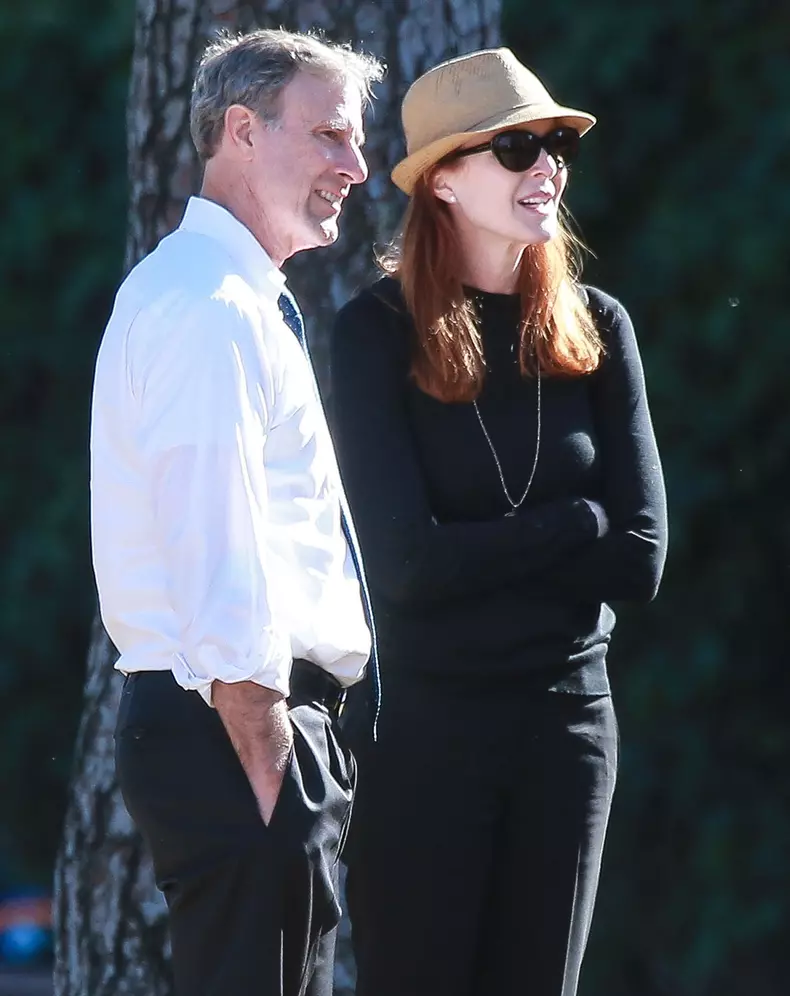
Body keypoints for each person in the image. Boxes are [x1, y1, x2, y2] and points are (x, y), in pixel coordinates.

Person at [330, 47, 668, 996]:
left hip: (569, 731)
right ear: (442, 179)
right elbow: (403, 570)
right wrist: (571, 525)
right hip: (423, 740)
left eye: (556, 144)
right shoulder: (374, 336)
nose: (548, 166)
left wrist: (480, 549)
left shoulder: (598, 326)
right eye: (516, 147)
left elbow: (641, 558)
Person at [90, 28, 383, 996]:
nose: (357, 165)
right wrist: (269, 763)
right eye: (330, 135)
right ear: (242, 132)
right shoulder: (209, 306)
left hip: (247, 734)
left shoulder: (231, 299)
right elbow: (218, 552)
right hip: (239, 732)